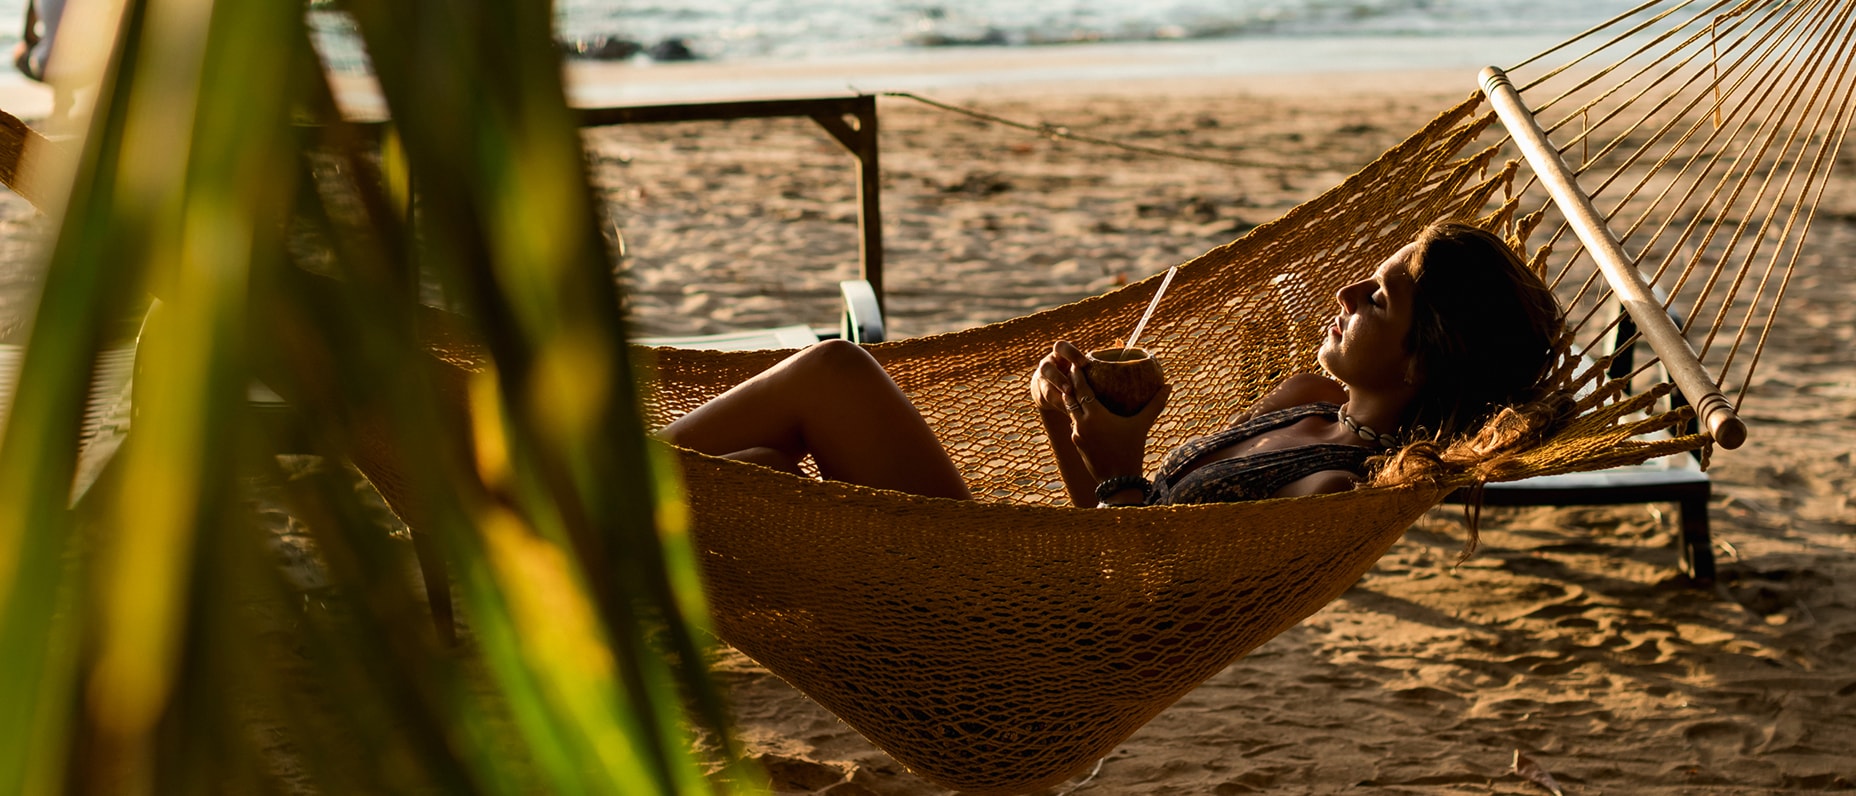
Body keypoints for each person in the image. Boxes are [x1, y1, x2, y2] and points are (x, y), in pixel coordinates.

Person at [654, 221, 1566, 510]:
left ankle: (539, 483)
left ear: (1421, 360)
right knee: (754, 485)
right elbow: (1109, 528)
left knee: (840, 373)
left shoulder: (1330, 488)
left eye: (1380, 297)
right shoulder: (1303, 398)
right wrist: (1066, 421)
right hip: (1031, 581)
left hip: (1016, 638)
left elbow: (1140, 608)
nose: (1347, 295)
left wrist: (1126, 459)